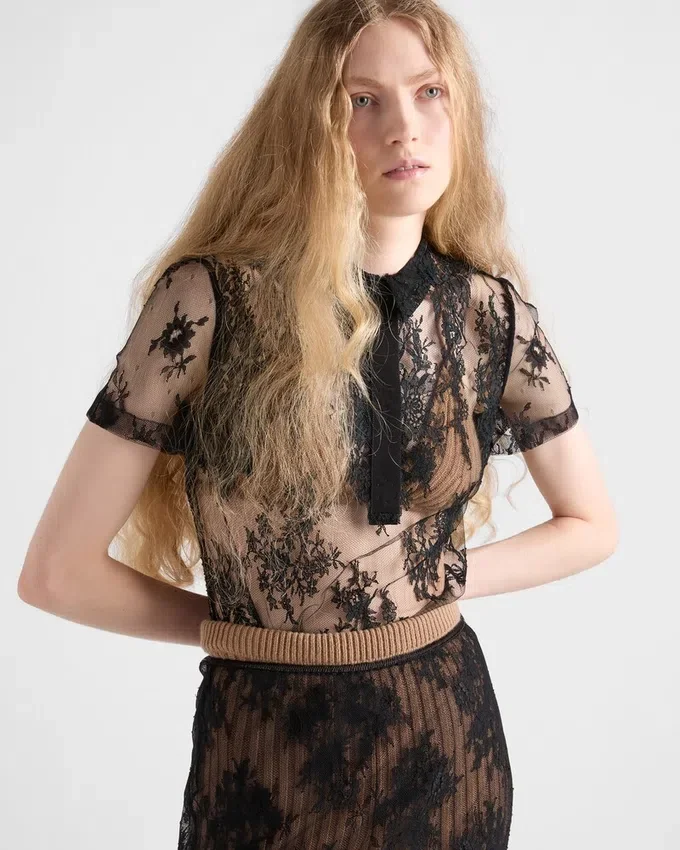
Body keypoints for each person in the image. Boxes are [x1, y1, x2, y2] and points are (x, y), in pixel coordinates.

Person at [18, 2, 618, 848]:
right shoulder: (212, 302)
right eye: (362, 100)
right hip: (266, 753)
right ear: (312, 125)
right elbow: (57, 573)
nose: (404, 127)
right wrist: (239, 632)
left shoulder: (490, 316)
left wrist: (447, 576)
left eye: (430, 91)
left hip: (447, 746)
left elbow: (592, 526)